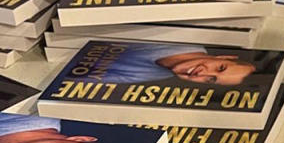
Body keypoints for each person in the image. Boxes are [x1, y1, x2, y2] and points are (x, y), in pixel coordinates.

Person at [90, 42, 258, 87]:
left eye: (211, 80)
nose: (202, 74)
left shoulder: (156, 75)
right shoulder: (175, 36)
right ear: (224, 56)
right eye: (220, 67)